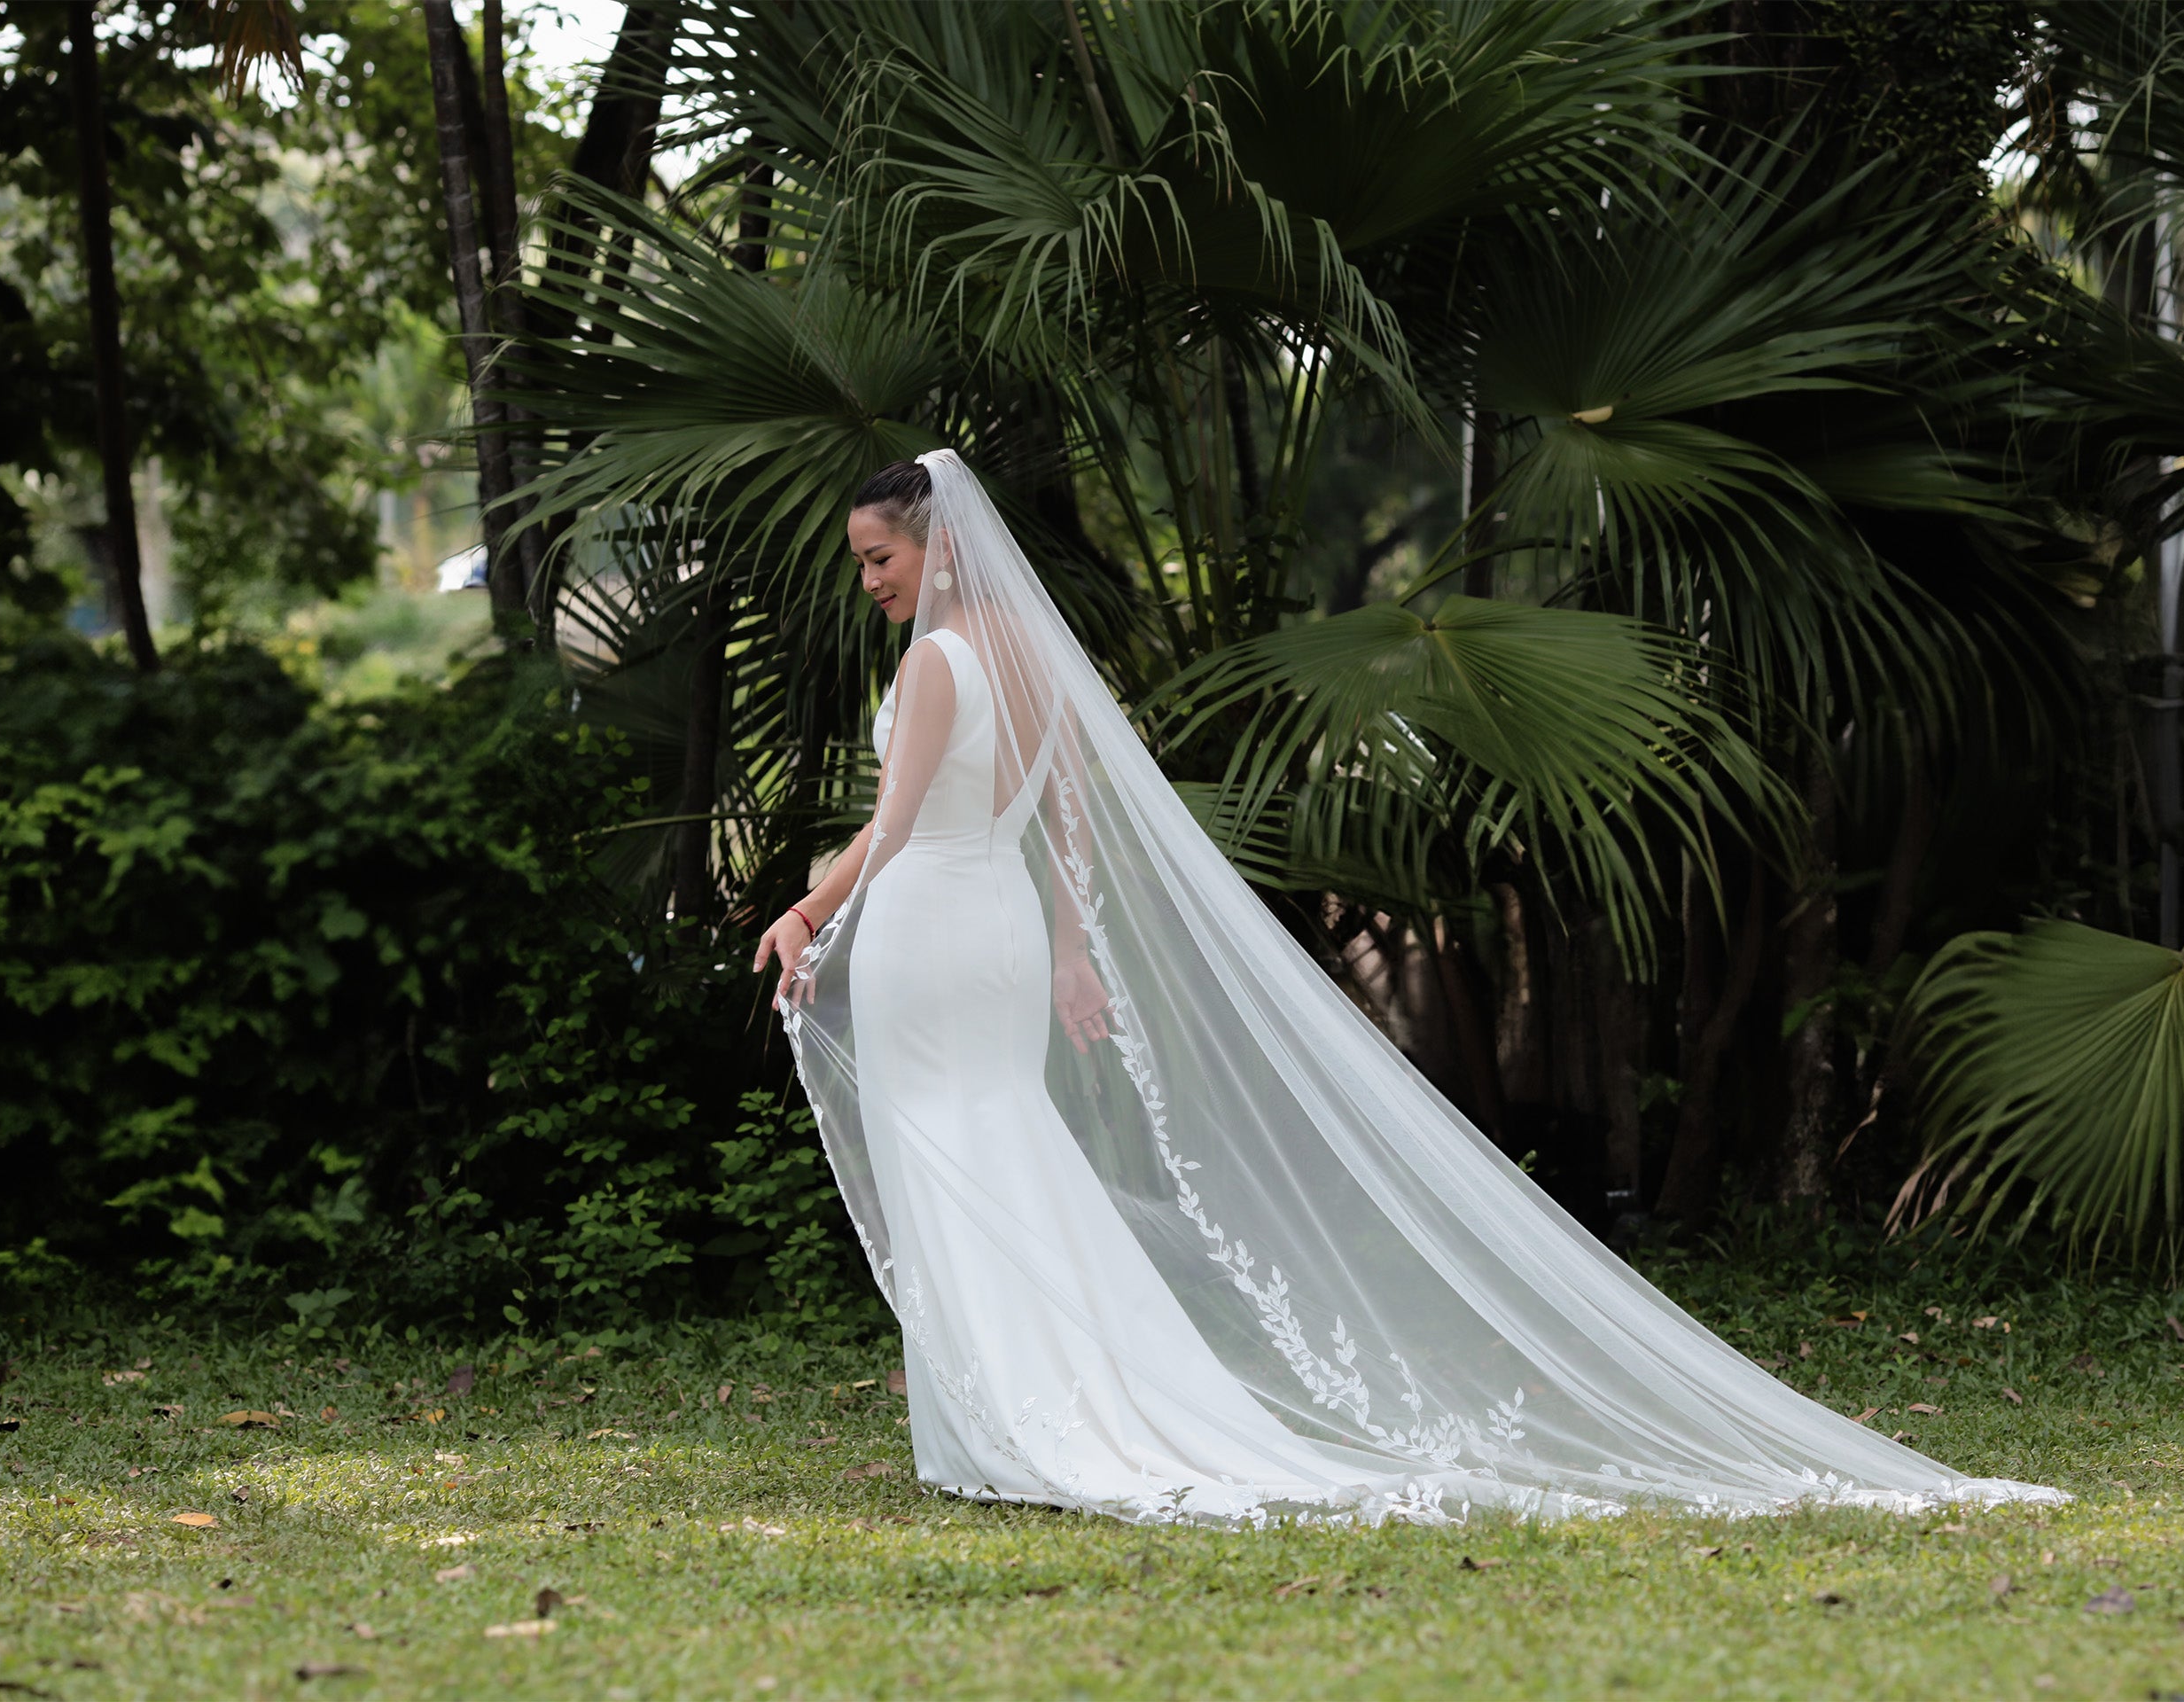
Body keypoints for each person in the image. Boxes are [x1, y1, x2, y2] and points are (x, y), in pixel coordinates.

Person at [753, 449, 2062, 1526]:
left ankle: (1021, 1417)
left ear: (939, 548)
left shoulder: (938, 664)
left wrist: (811, 917)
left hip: (936, 919)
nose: (871, 581)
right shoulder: (1034, 655)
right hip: (1001, 924)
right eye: (866, 561)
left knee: (961, 1154)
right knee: (1006, 1142)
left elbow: (902, 822)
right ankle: (1041, 1400)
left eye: (881, 557)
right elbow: (1074, 801)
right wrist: (1067, 945)